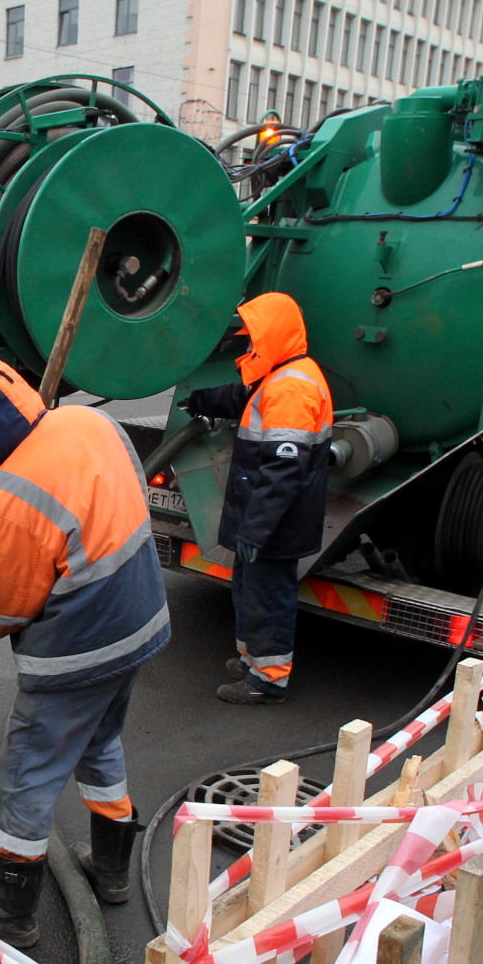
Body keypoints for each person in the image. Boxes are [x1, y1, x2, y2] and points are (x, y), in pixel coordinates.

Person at [0, 352, 170, 943]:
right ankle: (111, 874)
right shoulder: (88, 424)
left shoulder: (10, 502)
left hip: (77, 653)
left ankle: (12, 911)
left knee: (28, 771)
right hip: (140, 623)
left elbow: (5, 608)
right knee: (100, 741)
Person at [181, 292, 334, 705]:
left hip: (276, 524)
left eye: (253, 339)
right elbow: (241, 398)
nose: (249, 347)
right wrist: (200, 400)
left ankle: (268, 680)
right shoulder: (278, 377)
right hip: (267, 520)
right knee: (251, 590)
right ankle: (253, 659)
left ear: (274, 336)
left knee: (268, 596)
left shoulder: (292, 389)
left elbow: (284, 471)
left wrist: (256, 529)